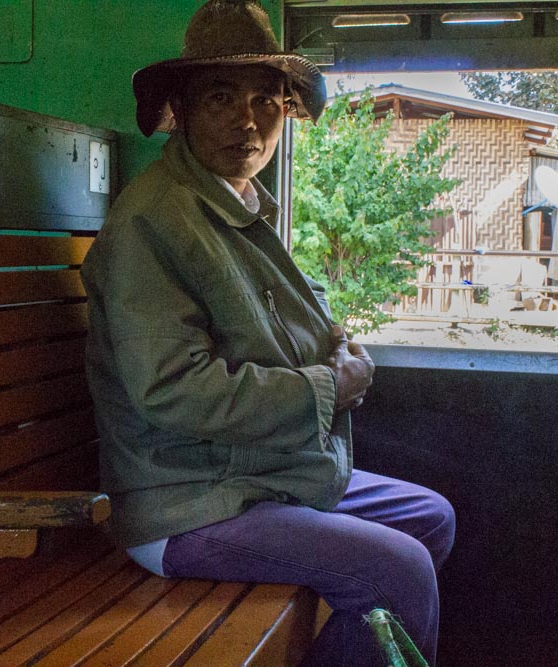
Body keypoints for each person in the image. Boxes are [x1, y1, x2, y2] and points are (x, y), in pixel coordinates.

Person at [80, 1, 455, 664]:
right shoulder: (153, 224)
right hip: (183, 503)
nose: (247, 120)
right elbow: (171, 391)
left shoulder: (238, 205)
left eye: (266, 99)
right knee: (399, 571)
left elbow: (286, 321)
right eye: (221, 97)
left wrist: (341, 351)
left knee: (431, 518)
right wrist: (326, 387)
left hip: (253, 474)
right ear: (183, 110)